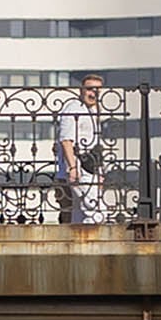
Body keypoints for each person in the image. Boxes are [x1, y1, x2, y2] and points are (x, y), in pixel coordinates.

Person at [55, 69, 112, 225]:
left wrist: (99, 172)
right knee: (97, 212)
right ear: (81, 90)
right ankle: (91, 239)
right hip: (79, 167)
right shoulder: (73, 109)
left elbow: (95, 143)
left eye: (97, 90)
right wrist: (72, 168)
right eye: (90, 89)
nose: (93, 93)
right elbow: (66, 140)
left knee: (80, 214)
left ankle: (79, 238)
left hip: (90, 167)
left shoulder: (93, 110)